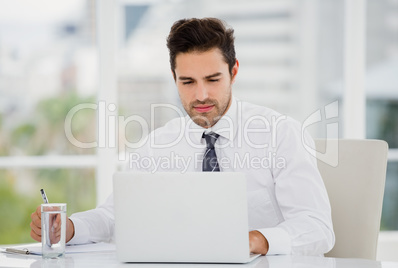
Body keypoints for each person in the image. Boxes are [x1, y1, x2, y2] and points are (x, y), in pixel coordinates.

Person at [30, 17, 335, 255]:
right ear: (174, 78)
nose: (200, 95)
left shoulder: (280, 134)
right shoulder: (159, 144)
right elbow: (116, 216)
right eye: (187, 81)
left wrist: (256, 240)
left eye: (213, 79)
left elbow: (318, 228)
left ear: (234, 72)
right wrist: (70, 229)